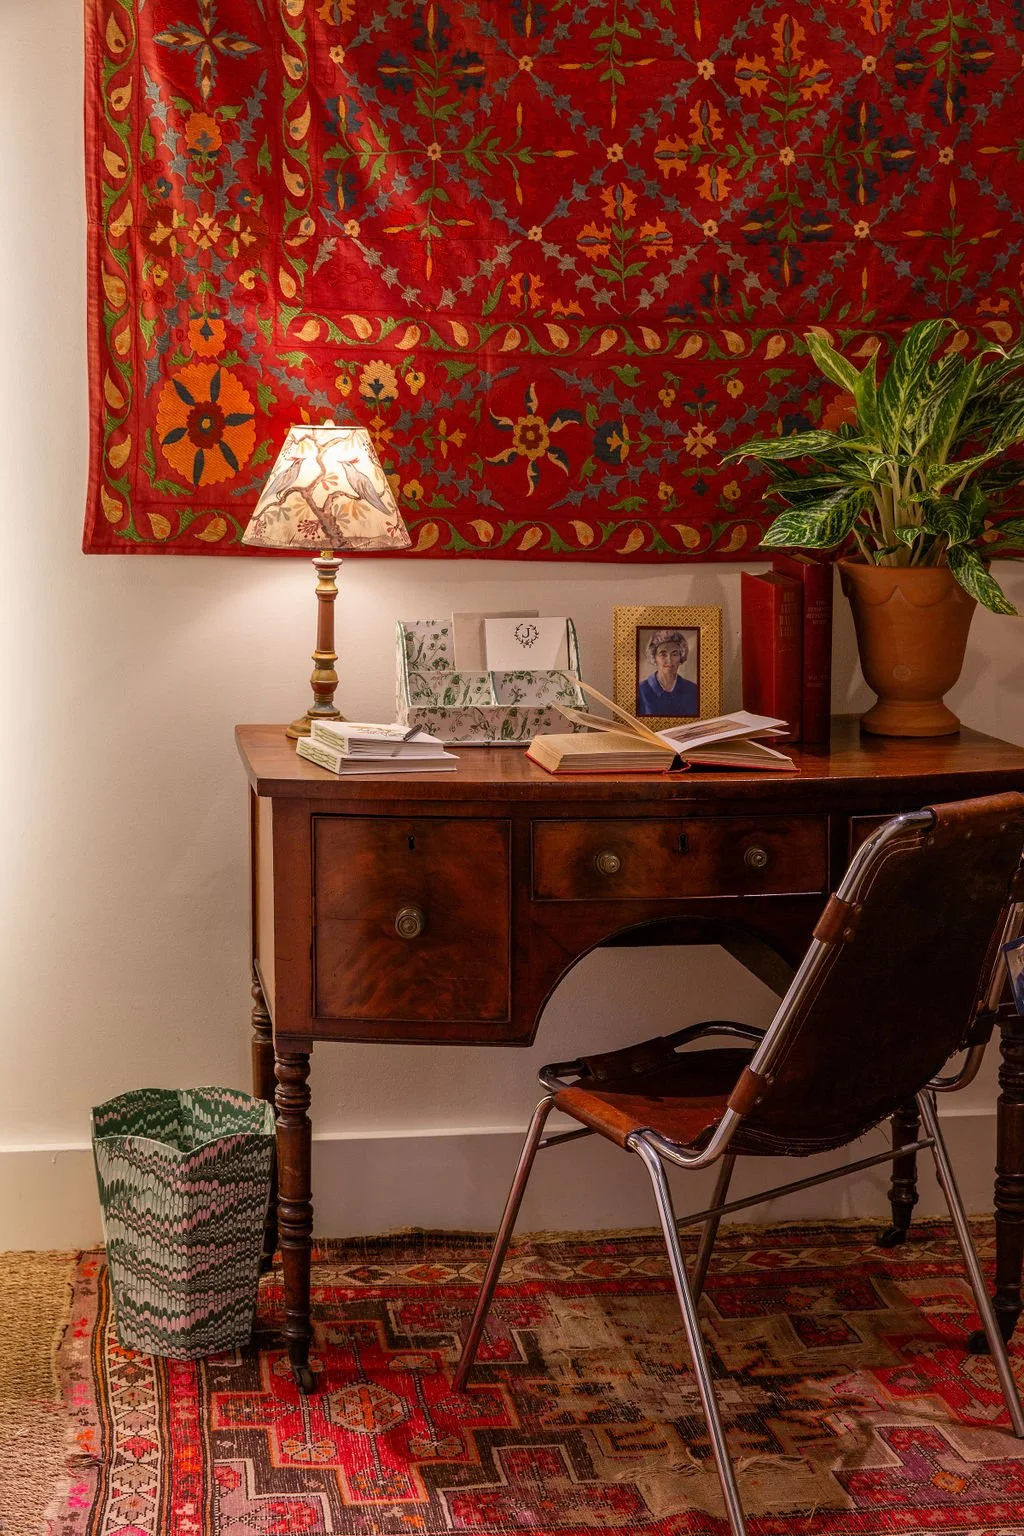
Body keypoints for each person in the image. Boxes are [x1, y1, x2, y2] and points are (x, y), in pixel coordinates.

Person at [637, 629, 698, 716]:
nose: (669, 660)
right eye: (663, 654)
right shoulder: (640, 690)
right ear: (654, 657)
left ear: (681, 656)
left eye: (674, 654)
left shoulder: (693, 690)